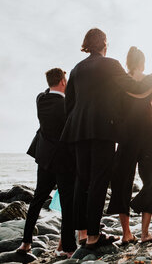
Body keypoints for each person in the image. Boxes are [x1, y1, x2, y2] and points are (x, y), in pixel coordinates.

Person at [60, 28, 152, 250]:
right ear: (104, 44)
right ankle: (94, 236)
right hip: (103, 129)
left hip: (77, 130)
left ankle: (82, 235)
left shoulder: (76, 69)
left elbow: (70, 104)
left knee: (81, 181)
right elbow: (134, 87)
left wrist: (77, 124)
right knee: (99, 180)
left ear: (87, 44)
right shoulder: (110, 64)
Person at [107, 46, 152, 245]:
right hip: (149, 135)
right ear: (142, 62)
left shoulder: (120, 81)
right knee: (150, 180)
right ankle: (144, 233)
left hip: (127, 137)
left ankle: (126, 234)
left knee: (122, 182)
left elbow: (113, 111)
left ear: (128, 63)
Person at [18, 68, 76, 257]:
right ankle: (68, 248)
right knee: (67, 203)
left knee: (37, 199)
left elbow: (45, 91)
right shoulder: (67, 105)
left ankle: (26, 242)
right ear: (62, 81)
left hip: (44, 158)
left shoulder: (40, 100)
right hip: (63, 160)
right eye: (65, 80)